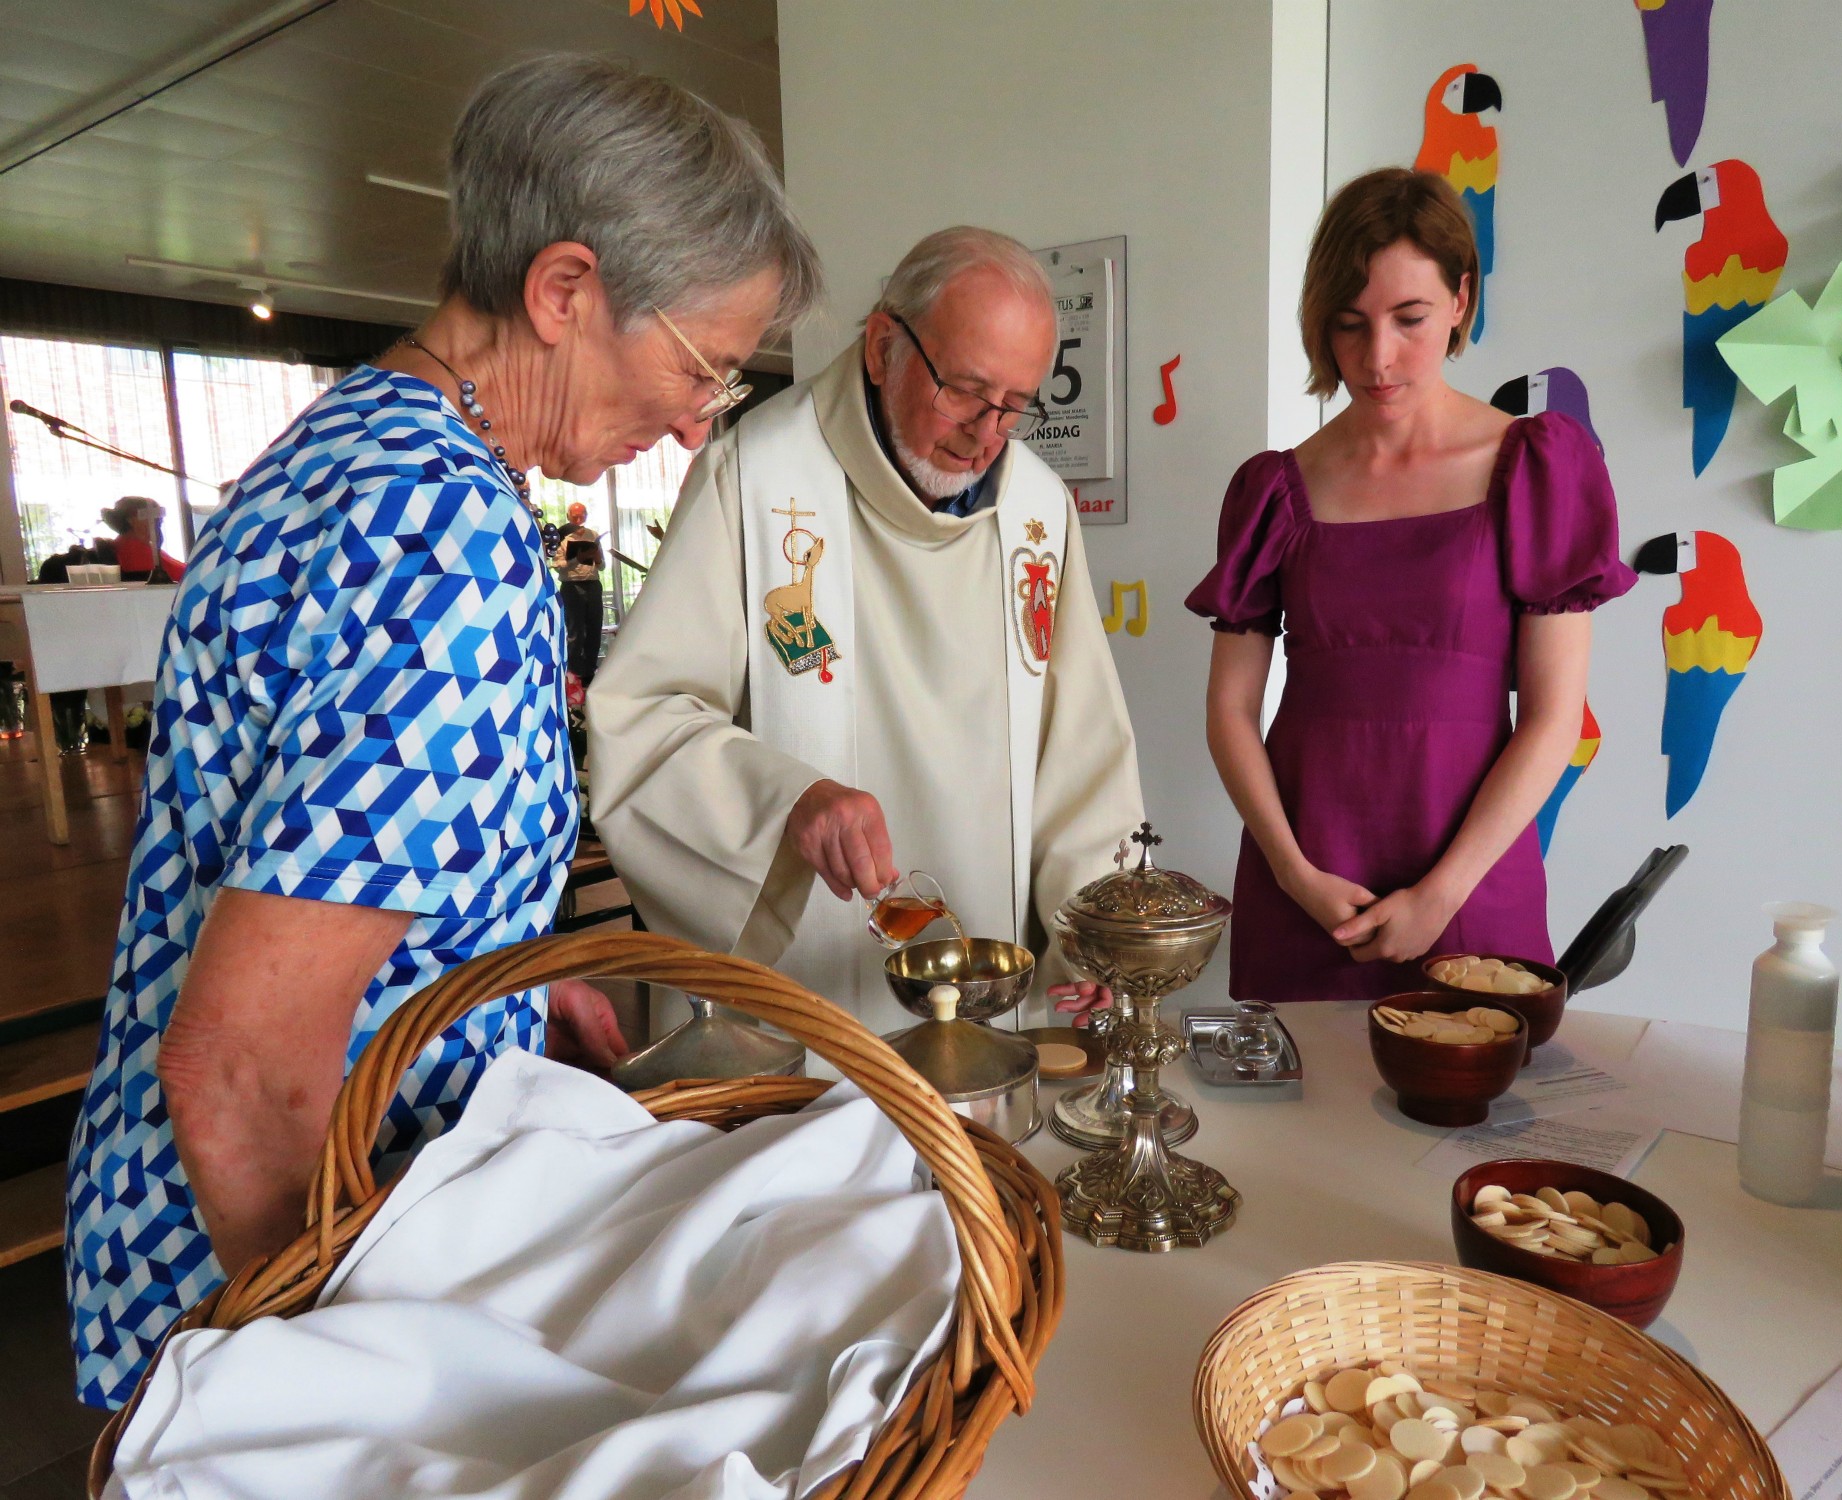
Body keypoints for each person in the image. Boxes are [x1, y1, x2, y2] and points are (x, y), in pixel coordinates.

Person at [64, 52, 820, 1409]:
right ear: (565, 292)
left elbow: (327, 861)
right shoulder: (440, 542)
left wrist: (507, 984)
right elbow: (237, 1067)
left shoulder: (355, 444)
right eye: (702, 364)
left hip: (186, 1232)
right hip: (275, 1271)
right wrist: (353, 1391)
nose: (701, 418)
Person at [589, 227, 1142, 1035]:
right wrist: (788, 802)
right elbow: (643, 721)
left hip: (981, 984)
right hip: (801, 1000)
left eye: (1015, 407)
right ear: (884, 345)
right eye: (963, 389)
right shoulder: (756, 476)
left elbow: (1081, 753)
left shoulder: (1038, 511)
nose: (984, 435)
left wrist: (1092, 935)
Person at [1186, 167, 1635, 1002]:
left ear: (1462, 298)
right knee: (1295, 1126)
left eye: (1409, 318)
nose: (1377, 358)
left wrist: (1442, 892)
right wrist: (1292, 873)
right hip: (1307, 882)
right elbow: (1229, 710)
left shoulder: (1537, 466)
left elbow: (1552, 717)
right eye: (1349, 326)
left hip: (1470, 881)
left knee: (1475, 1125)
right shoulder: (1274, 489)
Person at [554, 500, 605, 687]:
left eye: (581, 515)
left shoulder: (593, 535)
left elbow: (603, 566)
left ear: (586, 516)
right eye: (574, 515)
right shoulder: (562, 536)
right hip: (572, 587)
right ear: (568, 516)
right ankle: (574, 674)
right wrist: (577, 559)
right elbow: (556, 565)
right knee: (576, 633)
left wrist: (597, 558)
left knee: (594, 629)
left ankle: (590, 672)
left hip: (593, 585)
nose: (578, 518)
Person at [101, 495, 184, 581]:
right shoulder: (133, 549)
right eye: (152, 517)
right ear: (131, 520)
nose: (157, 522)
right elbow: (181, 574)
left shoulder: (131, 545)